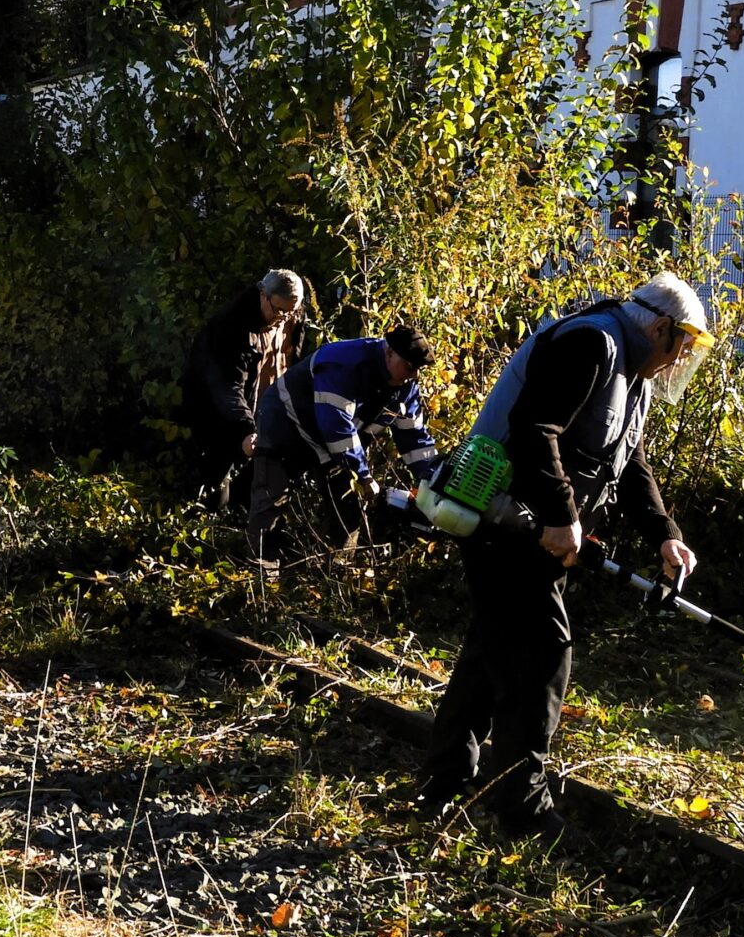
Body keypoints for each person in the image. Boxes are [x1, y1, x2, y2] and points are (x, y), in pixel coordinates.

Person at [418, 276, 713, 831]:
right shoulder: (592, 344)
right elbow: (536, 429)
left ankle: (442, 784)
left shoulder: (636, 373)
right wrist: (562, 516)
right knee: (543, 659)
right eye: (682, 346)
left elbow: (628, 466)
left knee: (491, 652)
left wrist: (664, 534)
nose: (680, 362)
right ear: (660, 328)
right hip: (501, 522)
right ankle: (524, 813)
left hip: (536, 535)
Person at [247, 323, 440, 587]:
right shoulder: (344, 364)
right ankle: (262, 585)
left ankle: (334, 578)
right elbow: (336, 428)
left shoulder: (405, 385)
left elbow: (415, 440)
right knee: (270, 499)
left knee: (348, 507)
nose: (413, 375)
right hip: (286, 422)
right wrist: (363, 475)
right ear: (389, 353)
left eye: (418, 370)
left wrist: (432, 480)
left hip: (332, 443)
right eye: (409, 367)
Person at [178, 269, 306, 513]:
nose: (284, 317)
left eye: (291, 312)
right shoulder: (231, 326)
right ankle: (201, 524)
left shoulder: (293, 313)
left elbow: (294, 358)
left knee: (259, 479)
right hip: (224, 412)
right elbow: (227, 387)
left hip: (268, 407)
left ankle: (239, 522)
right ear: (262, 295)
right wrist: (244, 430)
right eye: (278, 311)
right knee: (216, 482)